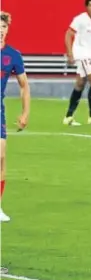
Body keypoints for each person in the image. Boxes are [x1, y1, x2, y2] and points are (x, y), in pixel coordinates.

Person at [0, 12, 31, 222]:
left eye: (3, 26)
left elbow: (24, 85)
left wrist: (25, 112)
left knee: (1, 157)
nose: (1, 29)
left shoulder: (13, 55)